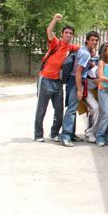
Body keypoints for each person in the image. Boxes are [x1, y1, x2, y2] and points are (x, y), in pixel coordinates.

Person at [34, 14, 80, 142]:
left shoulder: (71, 47)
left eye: (71, 33)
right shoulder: (56, 43)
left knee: (59, 111)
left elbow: (84, 50)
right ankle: (38, 135)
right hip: (45, 80)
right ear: (62, 34)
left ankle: (54, 133)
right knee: (41, 109)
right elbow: (49, 31)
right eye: (66, 32)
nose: (68, 35)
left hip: (58, 83)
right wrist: (54, 19)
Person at [59, 31, 100, 147]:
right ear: (87, 40)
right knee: (71, 109)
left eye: (96, 40)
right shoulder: (85, 54)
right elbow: (78, 72)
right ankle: (66, 136)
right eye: (92, 40)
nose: (94, 42)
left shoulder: (83, 50)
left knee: (73, 108)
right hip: (76, 81)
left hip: (75, 81)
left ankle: (70, 134)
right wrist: (79, 89)